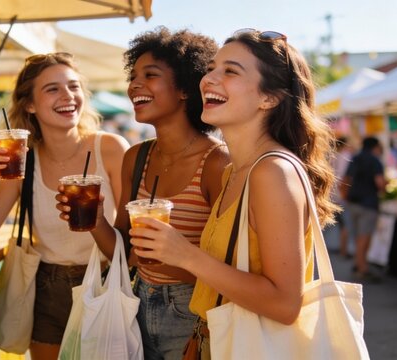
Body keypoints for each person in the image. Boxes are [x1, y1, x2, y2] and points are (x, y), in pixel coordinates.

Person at [127, 29, 339, 357]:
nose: (209, 78)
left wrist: (183, 254)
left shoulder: (272, 172)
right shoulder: (236, 170)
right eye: (212, 68)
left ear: (269, 98)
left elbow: (285, 304)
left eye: (230, 71)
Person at [56, 27, 230, 360]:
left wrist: (174, 259)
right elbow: (121, 251)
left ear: (183, 88)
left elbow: (231, 271)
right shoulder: (136, 157)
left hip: (192, 313)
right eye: (133, 76)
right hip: (135, 304)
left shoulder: (217, 164)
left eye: (149, 75)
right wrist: (93, 219)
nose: (134, 84)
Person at [0, 52, 128, 360]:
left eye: (73, 86)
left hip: (105, 281)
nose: (68, 96)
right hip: (46, 286)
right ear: (30, 104)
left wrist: (96, 222)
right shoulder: (23, 159)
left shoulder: (109, 148)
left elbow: (128, 244)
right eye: (52, 89)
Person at [343, 136, 386, 282]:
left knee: (358, 236)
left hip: (353, 202)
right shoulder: (375, 161)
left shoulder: (355, 158)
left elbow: (345, 180)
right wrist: (384, 189)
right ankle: (362, 268)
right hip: (368, 203)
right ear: (375, 146)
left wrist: (346, 196)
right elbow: (379, 182)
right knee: (364, 237)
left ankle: (358, 263)